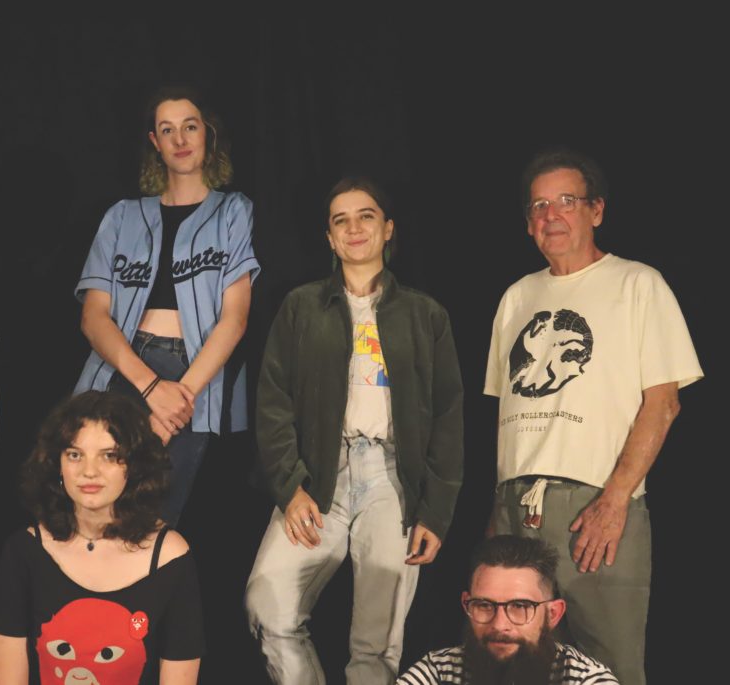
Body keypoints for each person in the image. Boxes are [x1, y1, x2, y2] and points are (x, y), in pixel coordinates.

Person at [484, 149, 703, 685]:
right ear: (528, 222)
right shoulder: (516, 297)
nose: (550, 215)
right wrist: (499, 511)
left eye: (566, 201)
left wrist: (615, 500)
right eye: (539, 205)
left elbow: (663, 402)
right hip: (514, 505)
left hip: (594, 507)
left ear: (596, 210)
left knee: (611, 670)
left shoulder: (638, 284)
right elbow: (510, 408)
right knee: (512, 663)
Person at [245, 177, 464, 683]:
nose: (354, 227)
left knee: (376, 643)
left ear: (388, 228)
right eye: (340, 220)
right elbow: (272, 400)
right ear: (329, 238)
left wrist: (436, 508)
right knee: (268, 607)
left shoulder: (425, 313)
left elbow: (450, 415)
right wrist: (290, 485)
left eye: (366, 216)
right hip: (319, 475)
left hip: (394, 479)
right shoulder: (301, 306)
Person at [73, 86, 260, 525]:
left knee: (150, 522)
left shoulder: (234, 211)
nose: (180, 139)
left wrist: (178, 400)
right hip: (124, 368)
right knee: (92, 515)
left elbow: (234, 320)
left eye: (190, 127)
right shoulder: (122, 216)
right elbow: (93, 317)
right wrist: (152, 388)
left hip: (194, 379)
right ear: (155, 143)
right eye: (167, 130)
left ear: (206, 134)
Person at [0, 391, 204, 684]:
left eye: (109, 456)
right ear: (57, 464)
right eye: (75, 455)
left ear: (133, 466)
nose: (89, 471)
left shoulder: (170, 557)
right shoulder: (23, 551)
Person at [396, 535, 618, 685]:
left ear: (552, 614)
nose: (500, 625)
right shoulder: (437, 672)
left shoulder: (587, 680)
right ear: (466, 604)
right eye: (484, 605)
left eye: (520, 607)